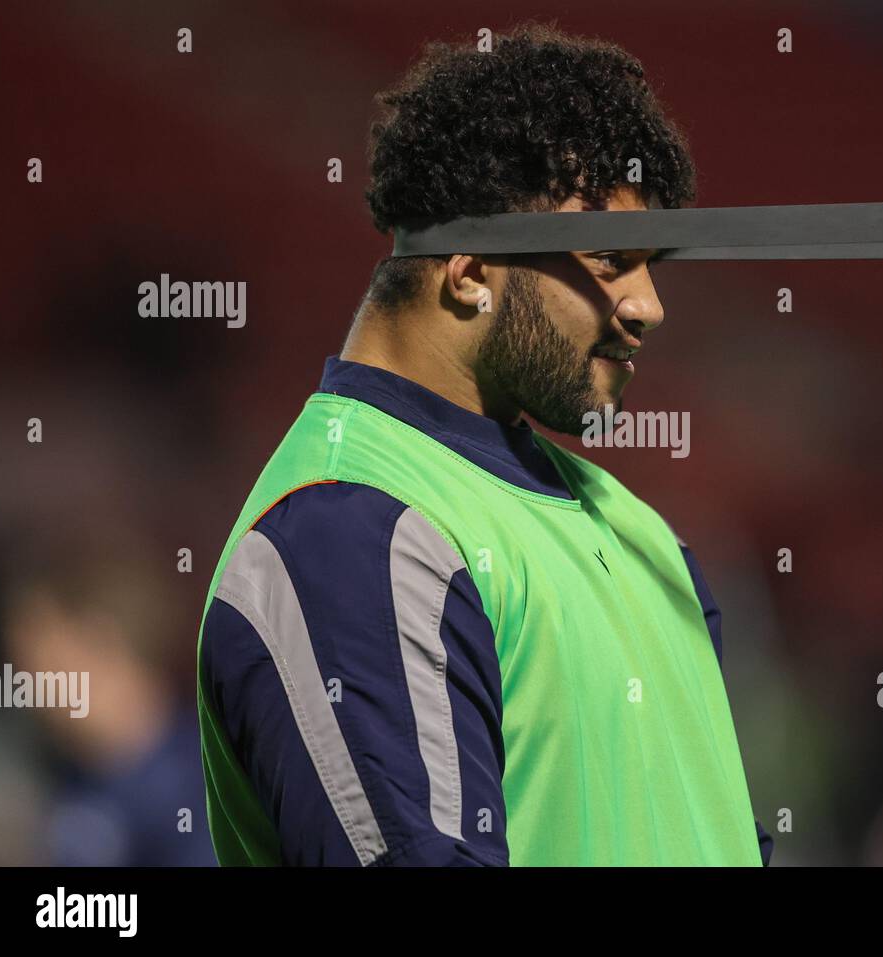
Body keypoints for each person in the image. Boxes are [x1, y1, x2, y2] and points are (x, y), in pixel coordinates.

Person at [197, 21, 772, 866]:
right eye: (611, 259)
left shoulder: (650, 537)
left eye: (654, 266)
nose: (649, 306)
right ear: (470, 273)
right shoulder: (347, 532)